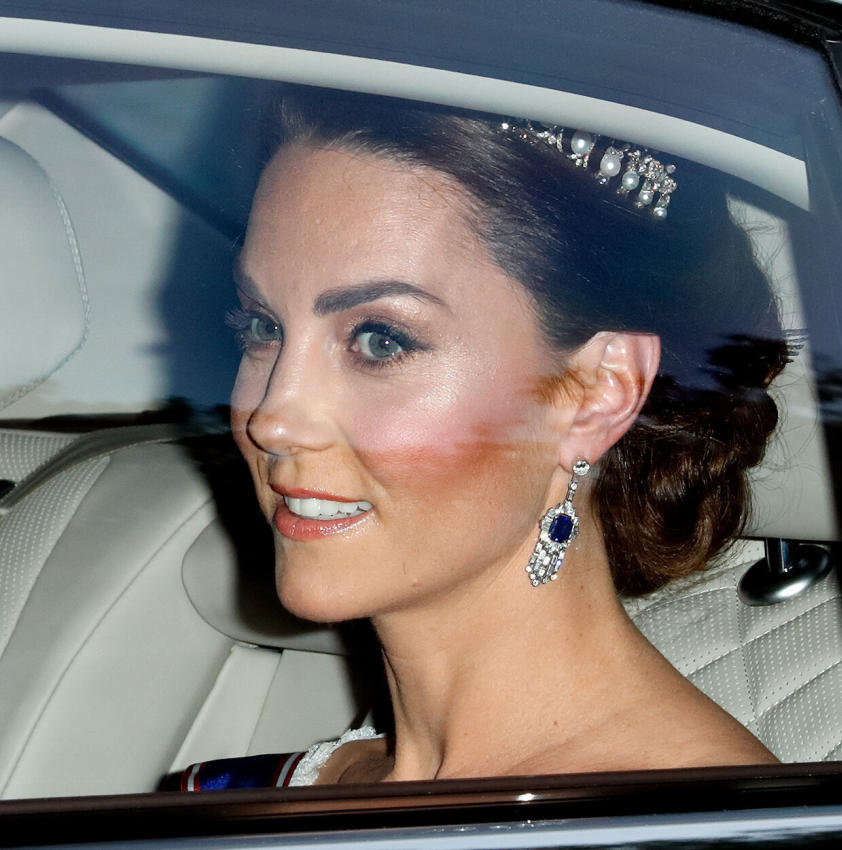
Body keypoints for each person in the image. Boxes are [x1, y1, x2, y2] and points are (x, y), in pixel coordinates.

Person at [203, 88, 786, 787]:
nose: (273, 419)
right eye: (263, 327)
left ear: (598, 394)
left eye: (380, 340)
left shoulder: (697, 828)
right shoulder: (272, 788)